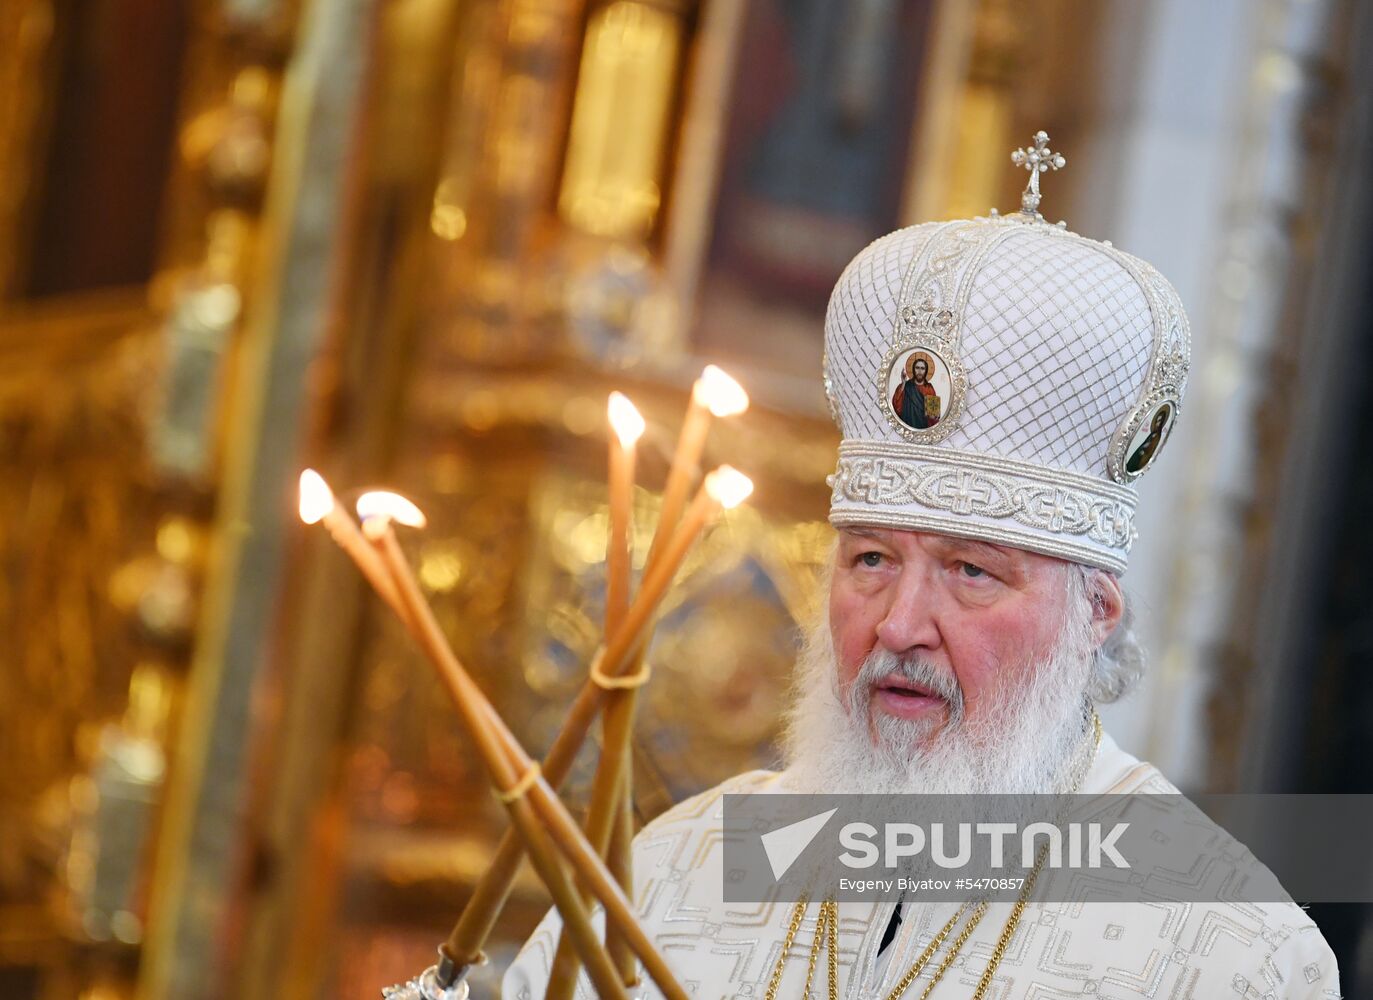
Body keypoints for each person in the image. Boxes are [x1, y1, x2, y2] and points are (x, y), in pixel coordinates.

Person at [504, 136, 1339, 998]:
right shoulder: (681, 868)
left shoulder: (1229, 952)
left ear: (1096, 613)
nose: (897, 626)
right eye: (870, 558)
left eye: (971, 571)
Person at [892, 354, 940, 429]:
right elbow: (896, 407)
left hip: (923, 427)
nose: (919, 371)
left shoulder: (929, 388)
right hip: (907, 426)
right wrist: (903, 383)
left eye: (922, 368)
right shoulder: (906, 386)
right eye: (917, 368)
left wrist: (934, 415)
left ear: (926, 370)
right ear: (913, 369)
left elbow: (933, 415)